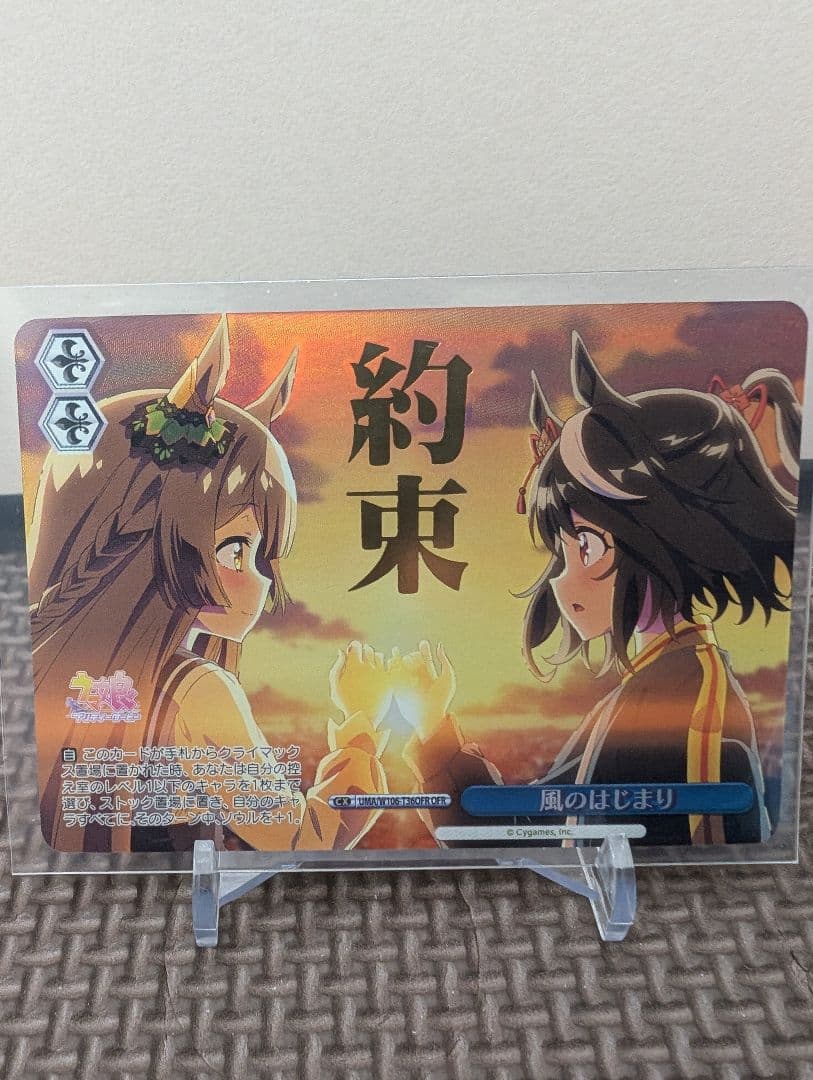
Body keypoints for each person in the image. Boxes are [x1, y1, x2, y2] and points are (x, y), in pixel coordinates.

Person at [397, 332, 801, 846]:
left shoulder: (689, 707)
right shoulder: (653, 687)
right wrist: (434, 729)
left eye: (585, 545)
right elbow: (529, 826)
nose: (561, 582)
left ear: (665, 535)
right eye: (562, 551)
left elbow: (702, 858)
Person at [30, 316, 389, 853]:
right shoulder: (197, 693)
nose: (261, 583)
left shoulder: (46, 674)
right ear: (145, 539)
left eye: (261, 555)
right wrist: (360, 730)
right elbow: (303, 839)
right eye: (235, 549)